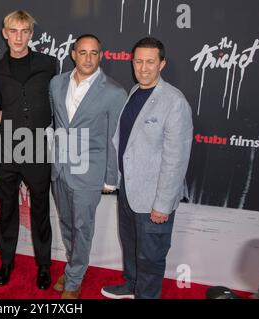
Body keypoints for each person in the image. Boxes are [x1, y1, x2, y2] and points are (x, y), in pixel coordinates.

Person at [101, 37, 193, 299]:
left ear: (161, 64)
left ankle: (146, 295)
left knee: (151, 256)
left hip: (154, 199)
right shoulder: (135, 91)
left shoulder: (174, 102)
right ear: (132, 62)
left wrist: (163, 204)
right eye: (138, 61)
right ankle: (131, 285)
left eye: (150, 62)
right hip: (129, 192)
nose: (143, 68)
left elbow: (176, 160)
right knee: (130, 246)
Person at [49, 34, 127, 299]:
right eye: (83, 52)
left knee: (83, 228)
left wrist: (110, 178)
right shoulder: (57, 83)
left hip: (89, 172)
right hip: (59, 169)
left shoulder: (114, 92)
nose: (88, 58)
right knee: (67, 224)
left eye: (94, 53)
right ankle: (74, 266)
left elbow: (114, 139)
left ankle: (74, 280)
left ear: (101, 55)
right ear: (73, 54)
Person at [0, 10, 57, 289]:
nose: (18, 37)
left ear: (31, 34)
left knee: (41, 211)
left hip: (38, 148)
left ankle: (43, 266)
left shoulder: (50, 64)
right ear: (5, 33)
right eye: (13, 31)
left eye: (24, 31)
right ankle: (7, 262)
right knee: (7, 210)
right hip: (6, 149)